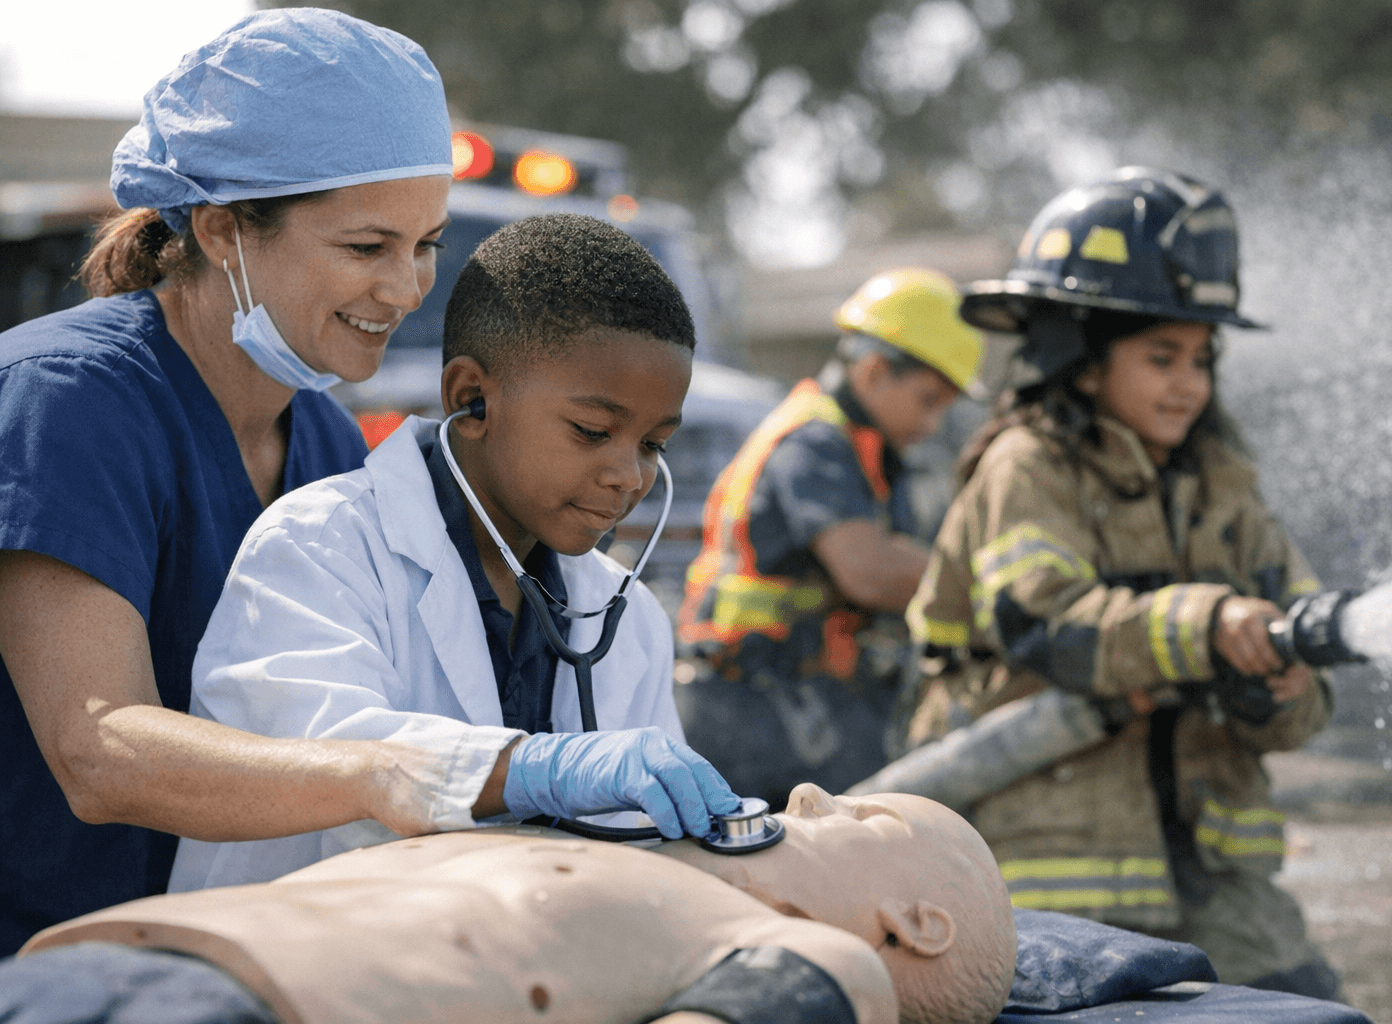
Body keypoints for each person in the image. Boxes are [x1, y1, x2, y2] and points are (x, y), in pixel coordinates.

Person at [0, 9, 469, 955]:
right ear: (222, 231)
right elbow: (100, 750)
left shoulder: (326, 440)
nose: (408, 287)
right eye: (367, 247)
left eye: (425, 244)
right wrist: (387, 774)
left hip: (200, 960)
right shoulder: (65, 403)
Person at [170, 214, 739, 891]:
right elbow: (334, 764)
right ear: (472, 399)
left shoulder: (629, 618)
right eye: (592, 431)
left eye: (652, 445)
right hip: (294, 941)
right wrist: (534, 772)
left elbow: (643, 850)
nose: (628, 476)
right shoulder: (319, 549)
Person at [903, 168, 1342, 999]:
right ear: (1082, 358)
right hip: (1062, 881)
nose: (1189, 382)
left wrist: (1281, 686)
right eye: (1161, 357)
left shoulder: (1226, 489)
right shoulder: (1027, 468)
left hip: (1218, 880)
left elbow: (1303, 682)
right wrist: (1210, 624)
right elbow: (1046, 624)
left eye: (1202, 359)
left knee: (1314, 1013)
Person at [18, 785, 1017, 1024]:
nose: (808, 793)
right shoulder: (612, 857)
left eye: (865, 817)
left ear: (914, 925)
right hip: (70, 967)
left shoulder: (826, 965)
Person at [676, 269, 984, 807]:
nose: (933, 424)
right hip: (751, 705)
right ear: (874, 372)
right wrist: (985, 590)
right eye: (928, 400)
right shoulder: (814, 442)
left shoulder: (866, 448)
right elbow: (870, 572)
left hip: (786, 696)